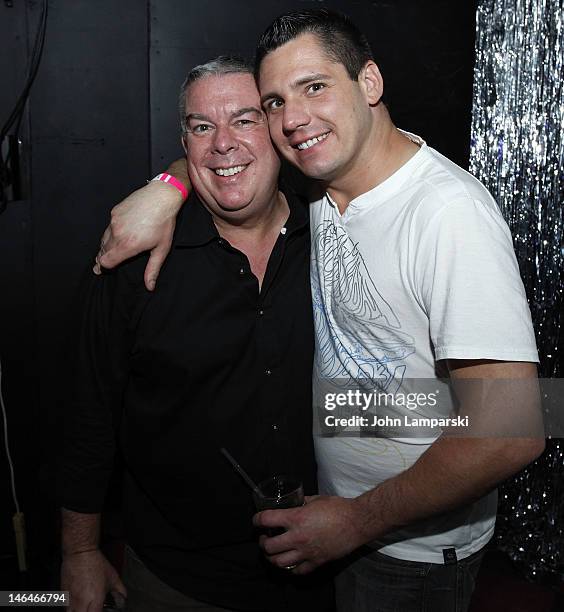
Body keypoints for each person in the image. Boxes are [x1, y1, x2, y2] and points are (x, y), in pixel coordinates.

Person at [93, 9, 545, 612]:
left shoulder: (447, 214)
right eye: (275, 102)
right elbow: (225, 153)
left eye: (314, 87)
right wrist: (170, 186)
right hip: (334, 530)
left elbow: (513, 430)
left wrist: (359, 519)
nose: (294, 119)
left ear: (371, 83)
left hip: (407, 554)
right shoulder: (324, 190)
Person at [58, 56, 333, 612]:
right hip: (175, 580)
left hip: (324, 569)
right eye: (202, 127)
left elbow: (499, 411)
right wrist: (81, 551)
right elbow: (88, 412)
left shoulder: (334, 239)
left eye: (245, 120)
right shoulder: (136, 263)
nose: (222, 144)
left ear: (279, 131)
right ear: (184, 141)